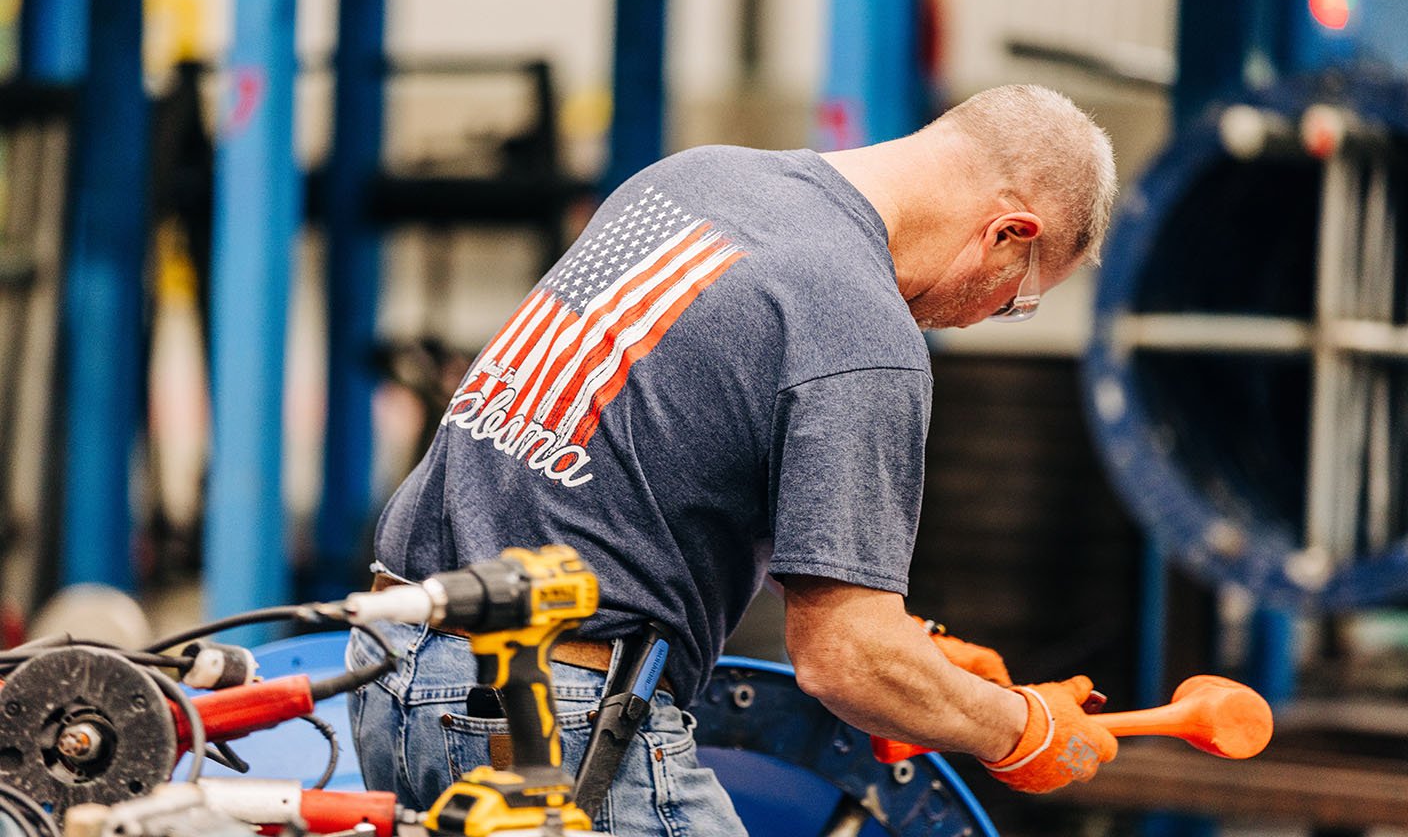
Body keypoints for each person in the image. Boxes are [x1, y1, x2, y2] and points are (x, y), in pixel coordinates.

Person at [347, 84, 1121, 834]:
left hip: (390, 666)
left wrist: (921, 670)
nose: (988, 320)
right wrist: (1022, 728)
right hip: (544, 714)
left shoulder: (695, 177)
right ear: (1007, 233)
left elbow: (630, 470)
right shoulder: (861, 329)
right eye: (1018, 299)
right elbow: (847, 663)